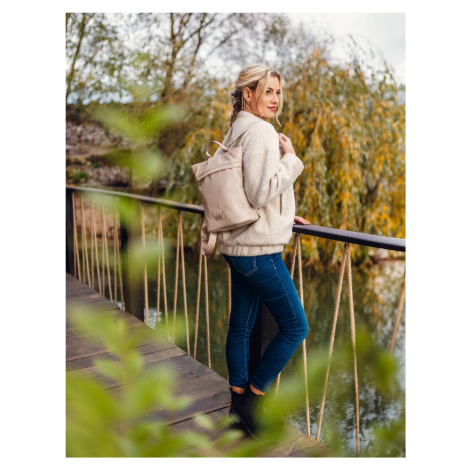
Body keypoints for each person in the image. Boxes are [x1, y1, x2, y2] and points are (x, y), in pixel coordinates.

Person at [213, 63, 311, 438]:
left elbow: (247, 189)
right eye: (267, 91)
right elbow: (258, 191)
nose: (275, 99)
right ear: (248, 93)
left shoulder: (236, 128)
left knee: (241, 326)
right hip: (258, 251)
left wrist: (283, 214)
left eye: (278, 92)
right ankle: (253, 403)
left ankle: (237, 404)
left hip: (238, 245)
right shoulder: (261, 132)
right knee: (296, 326)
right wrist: (292, 160)